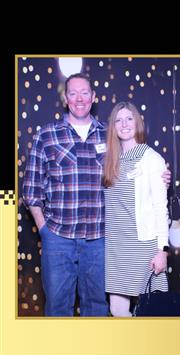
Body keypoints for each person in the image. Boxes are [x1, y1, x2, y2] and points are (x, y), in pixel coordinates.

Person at [22, 73, 109, 316]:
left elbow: (130, 173)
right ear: (65, 98)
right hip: (58, 239)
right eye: (73, 93)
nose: (79, 99)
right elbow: (31, 189)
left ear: (93, 97)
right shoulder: (46, 135)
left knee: (98, 308)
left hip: (99, 239)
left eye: (84, 93)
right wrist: (44, 230)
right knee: (57, 309)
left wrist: (158, 174)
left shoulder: (109, 135)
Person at [102, 102, 170, 317]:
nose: (124, 124)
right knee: (117, 310)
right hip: (115, 248)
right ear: (113, 126)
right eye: (118, 120)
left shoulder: (152, 159)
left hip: (142, 246)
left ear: (137, 122)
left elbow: (161, 208)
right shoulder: (110, 160)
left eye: (129, 119)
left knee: (150, 311)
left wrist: (162, 251)